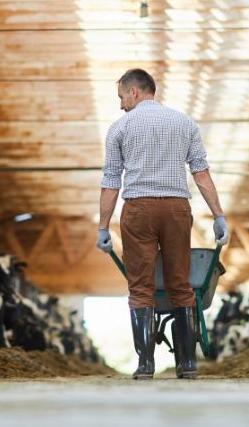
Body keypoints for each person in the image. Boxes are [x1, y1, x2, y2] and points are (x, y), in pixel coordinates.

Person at [95, 69, 228, 380]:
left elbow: (111, 182)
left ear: (135, 93)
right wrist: (219, 215)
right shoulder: (184, 123)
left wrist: (103, 226)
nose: (120, 105)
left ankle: (145, 365)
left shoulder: (119, 128)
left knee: (140, 287)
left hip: (138, 209)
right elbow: (201, 174)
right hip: (176, 209)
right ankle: (187, 364)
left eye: (121, 97)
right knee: (180, 285)